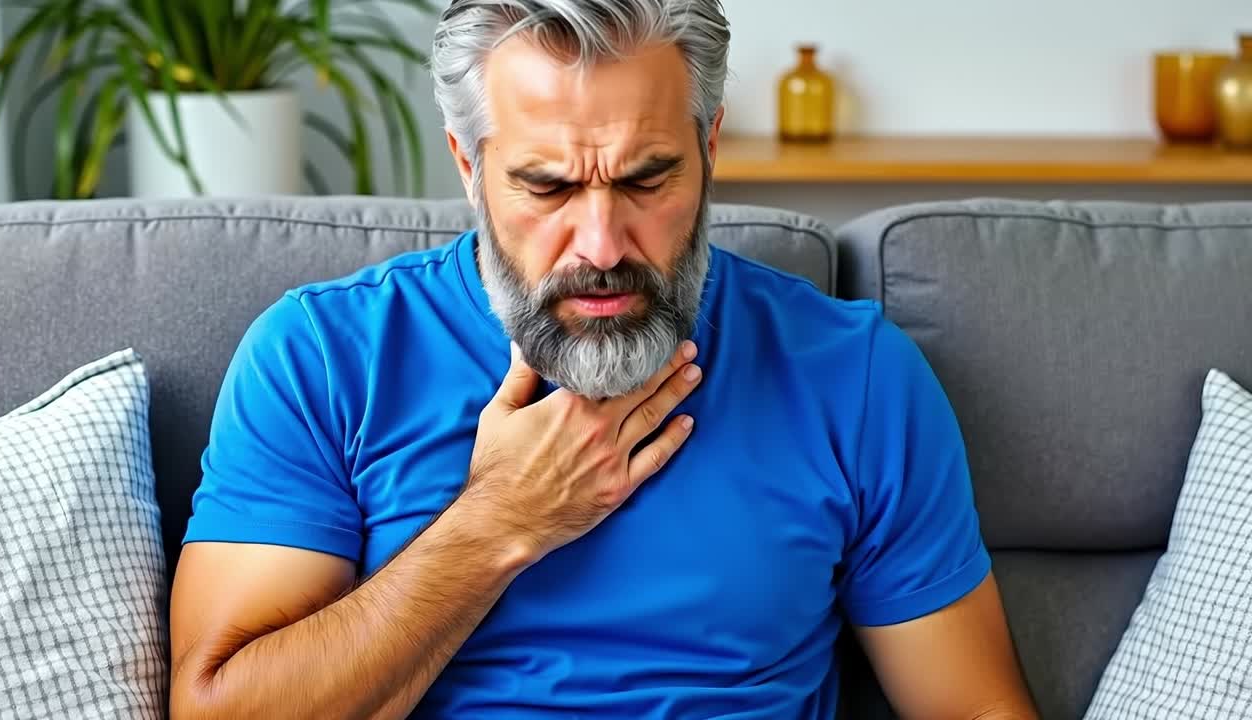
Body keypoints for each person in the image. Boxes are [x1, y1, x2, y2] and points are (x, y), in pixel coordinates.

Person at [168, 1, 1039, 718]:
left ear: (708, 147)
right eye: (547, 186)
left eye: (646, 179)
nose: (602, 244)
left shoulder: (856, 377)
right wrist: (498, 524)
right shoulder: (324, 358)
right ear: (469, 164)